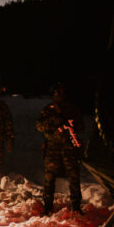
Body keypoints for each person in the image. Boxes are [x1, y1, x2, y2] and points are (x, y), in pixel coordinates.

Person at [36, 82, 83, 214]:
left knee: (74, 176)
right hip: (52, 147)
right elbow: (39, 126)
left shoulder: (72, 109)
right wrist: (55, 123)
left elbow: (81, 127)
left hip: (69, 147)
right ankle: (48, 206)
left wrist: (71, 127)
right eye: (55, 93)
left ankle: (76, 206)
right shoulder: (48, 109)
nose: (57, 95)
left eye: (60, 93)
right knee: (49, 177)